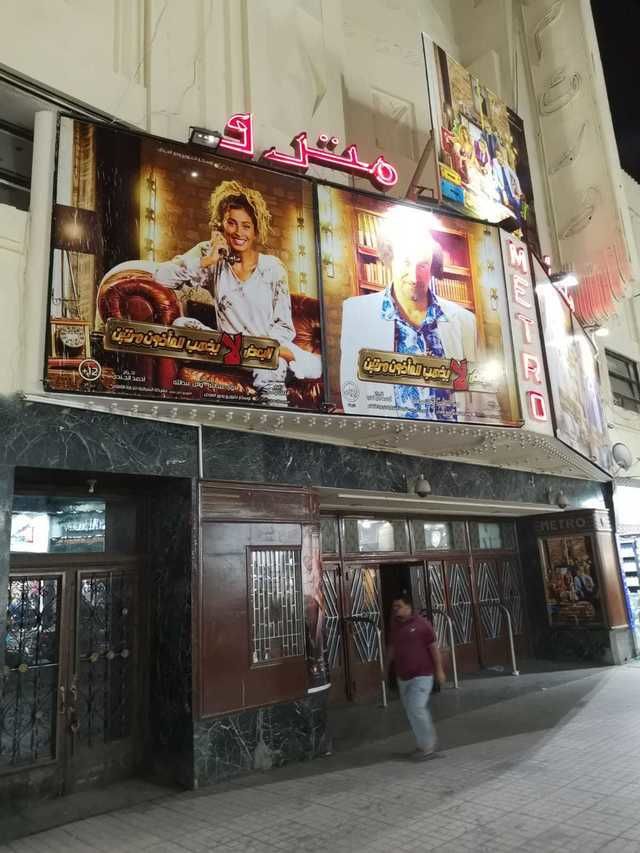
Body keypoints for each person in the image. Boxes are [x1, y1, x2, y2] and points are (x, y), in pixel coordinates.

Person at [154, 179, 320, 402]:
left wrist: (257, 348)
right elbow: (161, 277)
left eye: (246, 226)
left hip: (264, 352)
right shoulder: (211, 255)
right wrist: (207, 261)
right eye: (231, 223)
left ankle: (278, 398)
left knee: (271, 363)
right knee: (181, 325)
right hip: (228, 350)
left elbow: (284, 327)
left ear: (256, 230)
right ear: (220, 225)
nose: (238, 232)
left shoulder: (273, 268)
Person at [340, 207, 478, 420]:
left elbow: (477, 399)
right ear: (390, 260)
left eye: (422, 265)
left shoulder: (464, 321)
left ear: (432, 267)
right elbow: (352, 395)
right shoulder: (357, 312)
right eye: (406, 262)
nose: (414, 276)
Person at [385, 595, 446, 760]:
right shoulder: (395, 626)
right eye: (394, 607)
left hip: (422, 676)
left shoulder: (422, 624)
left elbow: (433, 648)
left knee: (417, 708)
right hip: (403, 677)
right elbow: (391, 648)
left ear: (408, 607)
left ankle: (429, 748)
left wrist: (439, 670)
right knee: (411, 712)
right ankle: (422, 745)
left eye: (399, 606)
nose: (395, 609)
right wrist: (385, 668)